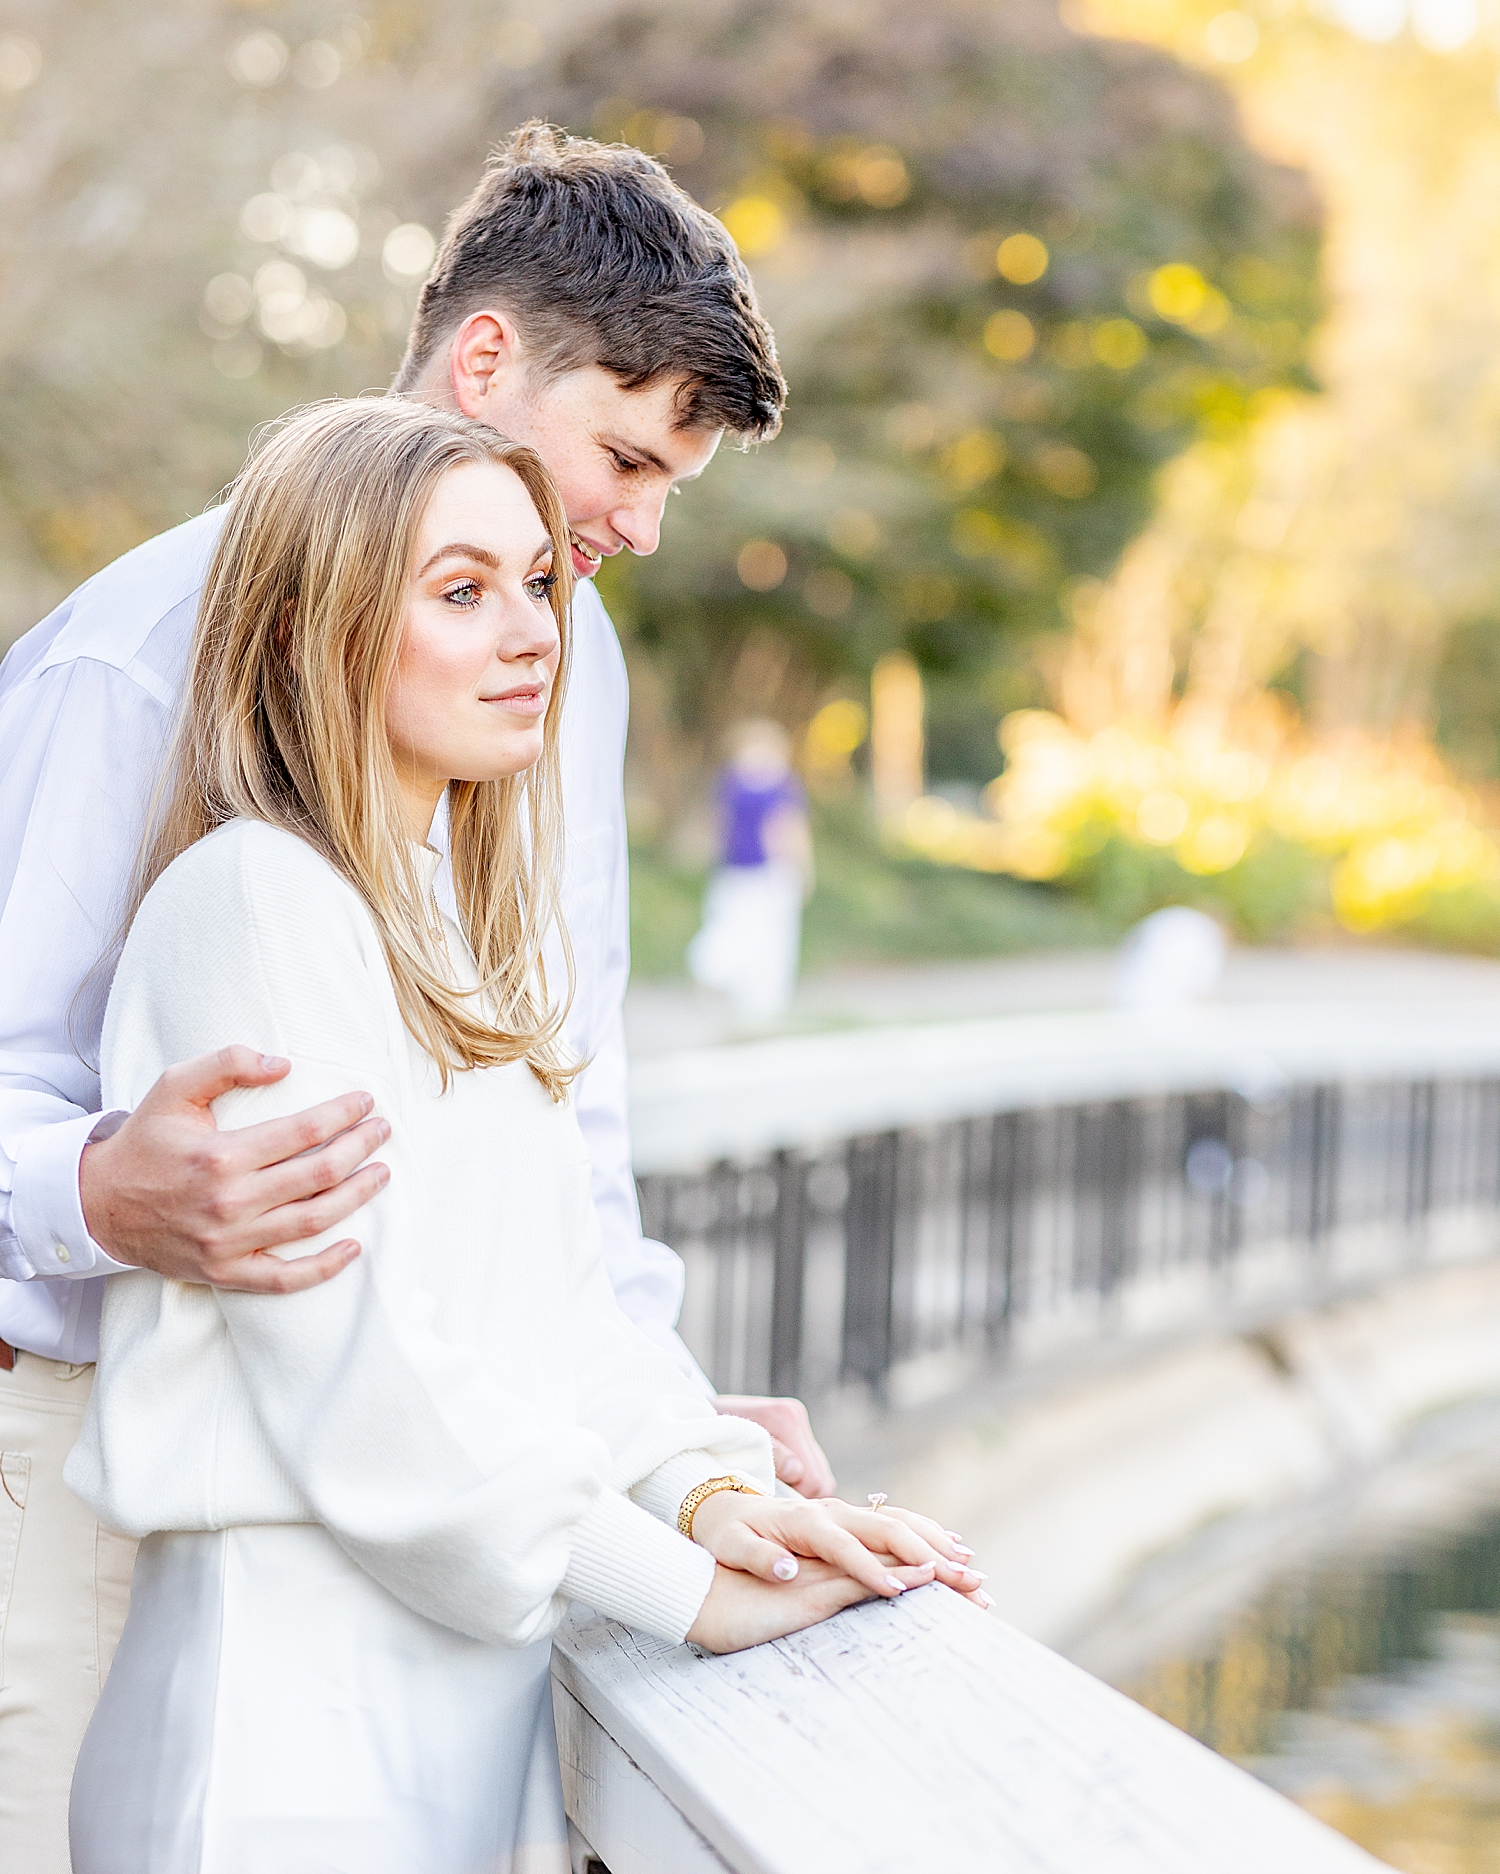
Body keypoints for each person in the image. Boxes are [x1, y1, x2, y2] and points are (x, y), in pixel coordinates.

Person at [0, 125, 832, 1869]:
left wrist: (681, 1444)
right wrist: (88, 1188)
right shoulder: (124, 658)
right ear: (482, 363)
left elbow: (551, 1125)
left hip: (410, 1521)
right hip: (70, 1445)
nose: (637, 528)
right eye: (623, 455)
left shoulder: (559, 666)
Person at [62, 400, 983, 1872]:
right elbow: (355, 1370)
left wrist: (712, 1489)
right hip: (278, 1722)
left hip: (452, 1708)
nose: (534, 633)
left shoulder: (455, 930)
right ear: (317, 630)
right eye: (463, 589)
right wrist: (683, 1591)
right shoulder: (254, 901)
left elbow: (555, 1313)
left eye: (538, 583)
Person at [688, 719, 812, 1023]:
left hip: (746, 873)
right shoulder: (774, 788)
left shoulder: (733, 785)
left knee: (755, 936)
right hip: (757, 875)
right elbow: (789, 831)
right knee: (759, 937)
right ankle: (747, 996)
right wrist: (802, 868)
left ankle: (748, 999)